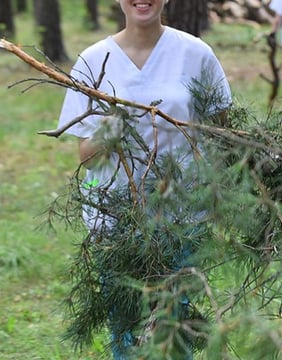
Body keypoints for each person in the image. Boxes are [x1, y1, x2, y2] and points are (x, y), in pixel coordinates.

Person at [56, 0, 232, 358]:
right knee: (127, 330)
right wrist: (108, 132)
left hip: (181, 218)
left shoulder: (195, 54)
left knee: (173, 329)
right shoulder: (93, 60)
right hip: (115, 220)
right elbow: (87, 158)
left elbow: (221, 134)